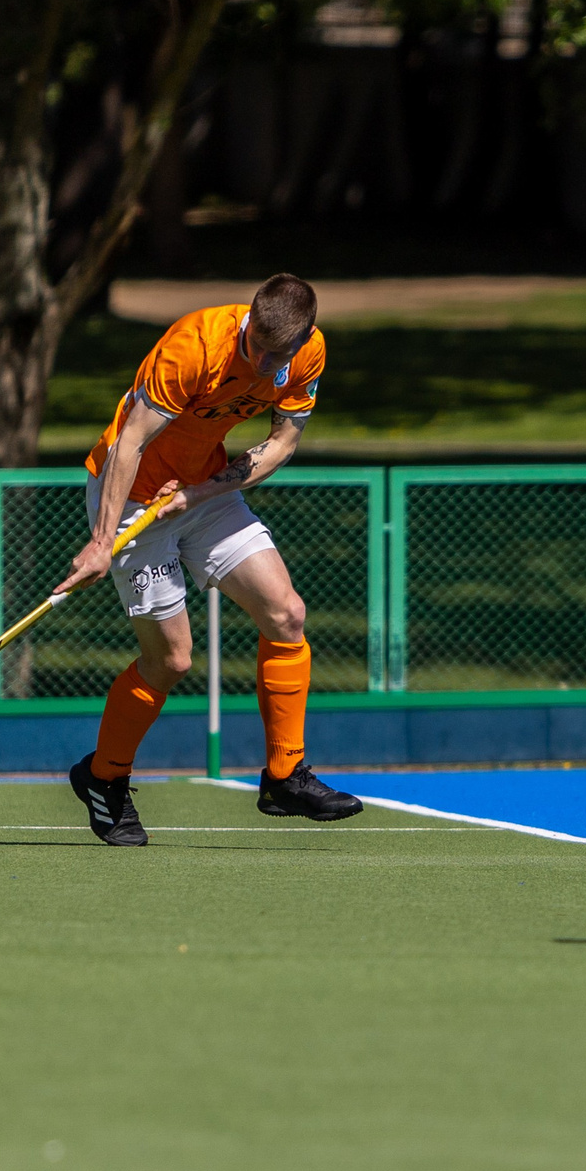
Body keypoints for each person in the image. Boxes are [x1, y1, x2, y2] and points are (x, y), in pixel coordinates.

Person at [61, 273, 361, 846]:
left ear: (302, 340)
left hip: (201, 492)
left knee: (286, 614)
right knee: (171, 660)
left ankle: (283, 776)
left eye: (280, 354)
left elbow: (281, 443)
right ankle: (103, 777)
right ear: (249, 321)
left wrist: (199, 494)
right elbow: (130, 442)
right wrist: (102, 542)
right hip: (130, 499)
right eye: (259, 348)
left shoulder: (308, 354)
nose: (265, 360)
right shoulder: (193, 346)